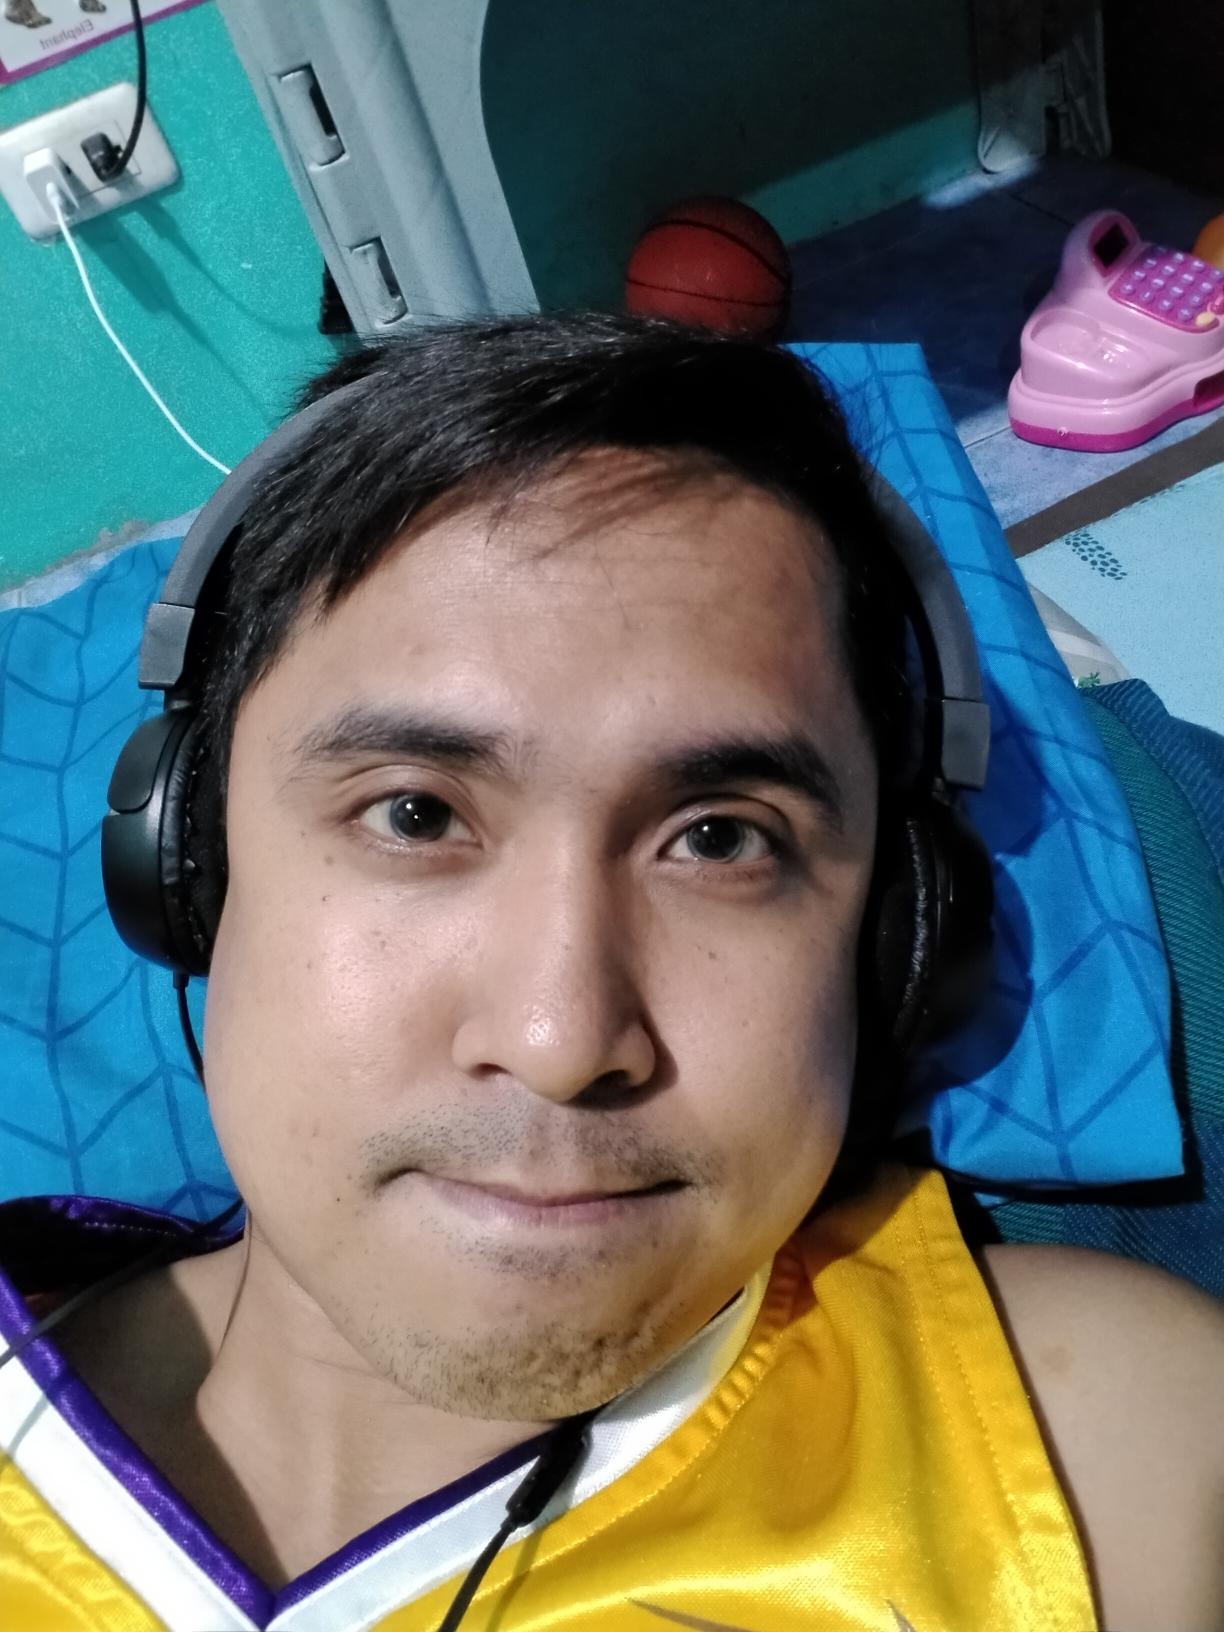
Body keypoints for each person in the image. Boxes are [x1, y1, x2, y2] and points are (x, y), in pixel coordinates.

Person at [1, 313, 1222, 1632]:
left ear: (898, 943)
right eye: (416, 813)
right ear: (189, 863)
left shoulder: (1105, 1460)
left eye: (721, 839)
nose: (561, 1036)